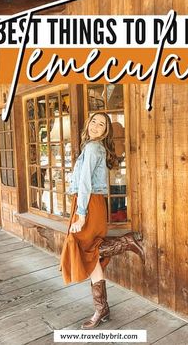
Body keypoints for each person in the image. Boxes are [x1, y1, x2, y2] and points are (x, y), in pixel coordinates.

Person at [60, 112, 145, 329]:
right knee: (92, 257)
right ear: (88, 123)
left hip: (88, 204)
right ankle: (102, 309)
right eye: (94, 122)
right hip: (88, 202)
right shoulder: (93, 147)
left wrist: (81, 213)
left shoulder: (92, 148)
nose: (97, 126)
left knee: (86, 250)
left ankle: (127, 242)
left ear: (106, 131)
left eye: (102, 124)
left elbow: (86, 182)